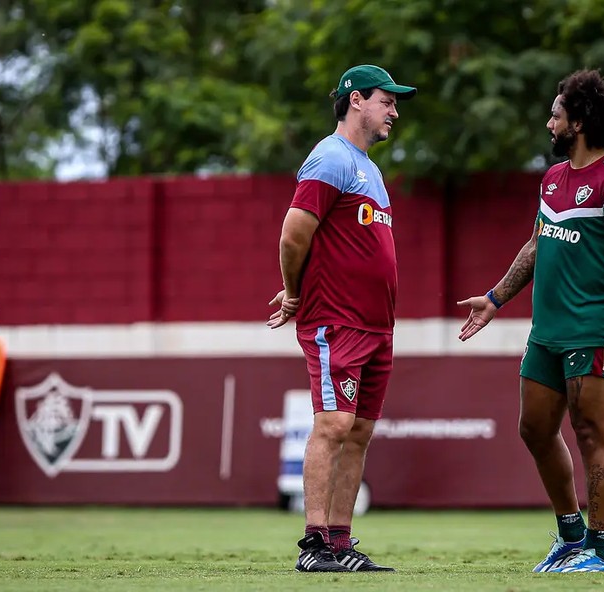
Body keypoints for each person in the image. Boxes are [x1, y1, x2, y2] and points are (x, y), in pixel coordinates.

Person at [457, 69, 604, 573]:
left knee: (591, 435)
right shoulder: (553, 179)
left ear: (578, 122)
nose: (549, 123)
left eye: (556, 115)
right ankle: (569, 536)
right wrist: (497, 297)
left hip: (593, 331)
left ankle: (599, 549)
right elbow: (539, 242)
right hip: (546, 333)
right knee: (534, 429)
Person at [267, 64, 416, 573]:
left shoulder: (366, 166)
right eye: (386, 100)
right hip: (338, 321)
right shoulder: (330, 158)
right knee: (333, 424)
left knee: (358, 433)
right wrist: (292, 294)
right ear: (356, 100)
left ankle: (340, 543)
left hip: (377, 327)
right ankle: (314, 546)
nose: (394, 110)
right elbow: (293, 235)